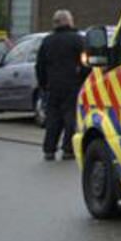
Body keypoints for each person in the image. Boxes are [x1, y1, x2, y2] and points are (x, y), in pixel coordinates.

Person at [35, 9, 89, 162]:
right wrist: (82, 77)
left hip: (53, 86)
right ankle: (68, 149)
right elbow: (86, 62)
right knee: (70, 118)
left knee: (53, 118)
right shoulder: (78, 40)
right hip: (73, 85)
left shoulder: (47, 42)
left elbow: (40, 66)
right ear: (69, 21)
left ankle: (49, 149)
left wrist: (44, 84)